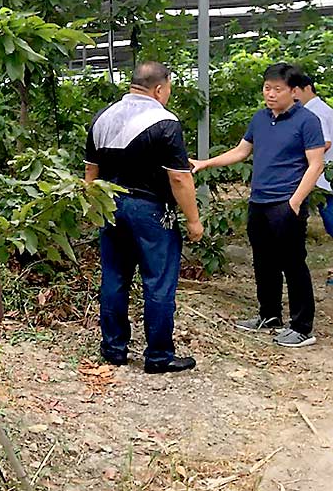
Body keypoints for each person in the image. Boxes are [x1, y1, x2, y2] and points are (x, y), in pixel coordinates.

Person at [191, 63, 325, 348]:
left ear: (294, 91)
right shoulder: (260, 119)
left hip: (286, 202)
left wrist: (295, 201)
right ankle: (269, 315)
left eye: (278, 89)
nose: (271, 94)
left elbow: (316, 165)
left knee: (293, 263)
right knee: (263, 261)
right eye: (267, 88)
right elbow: (241, 151)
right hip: (259, 201)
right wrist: (205, 163)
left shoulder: (307, 121)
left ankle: (302, 327)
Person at [85, 61, 203, 374]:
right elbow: (179, 179)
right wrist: (193, 220)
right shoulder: (165, 121)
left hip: (109, 205)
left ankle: (114, 349)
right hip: (150, 210)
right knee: (158, 281)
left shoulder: (103, 116)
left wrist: (93, 208)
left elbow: (91, 172)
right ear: (159, 88)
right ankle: (159, 355)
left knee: (114, 276)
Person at [294, 74, 333, 239]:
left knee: (330, 216)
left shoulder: (315, 112)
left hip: (322, 176)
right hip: (323, 174)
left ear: (308, 88)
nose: (293, 96)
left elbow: (325, 142)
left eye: (295, 91)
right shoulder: (320, 109)